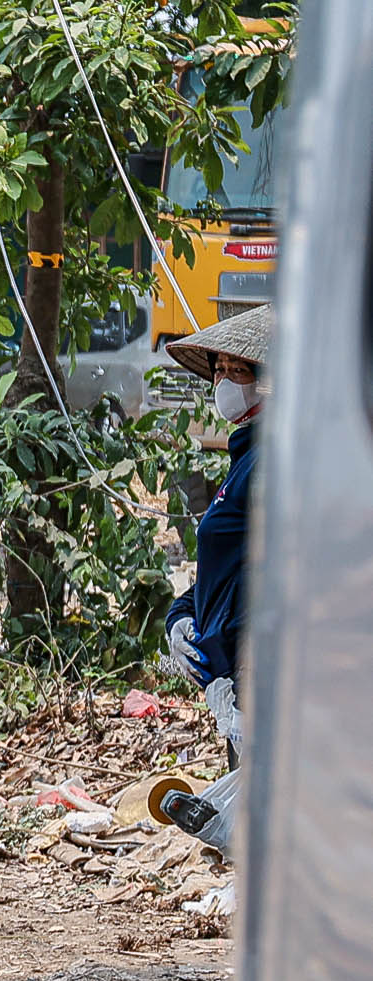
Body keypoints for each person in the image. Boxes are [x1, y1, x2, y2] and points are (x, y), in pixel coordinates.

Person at [161, 304, 269, 746]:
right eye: (219, 369)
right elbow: (224, 568)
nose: (223, 380)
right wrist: (180, 618)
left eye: (237, 369)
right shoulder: (246, 455)